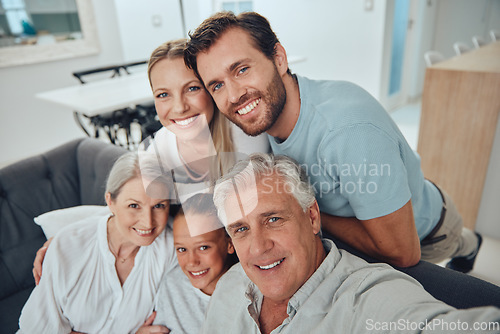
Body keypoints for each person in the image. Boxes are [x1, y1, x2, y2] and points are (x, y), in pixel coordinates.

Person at [183, 11, 481, 271]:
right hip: (383, 208)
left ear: (279, 59)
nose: (234, 95)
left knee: (458, 246)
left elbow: (402, 253)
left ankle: (471, 243)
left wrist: (303, 211)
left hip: (430, 232)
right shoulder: (264, 115)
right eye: (218, 85)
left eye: (242, 69)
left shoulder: (348, 130)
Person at [203, 152, 500, 334]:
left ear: (312, 217)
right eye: (240, 229)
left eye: (273, 219)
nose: (257, 248)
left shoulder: (365, 298)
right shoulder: (231, 285)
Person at [18, 152, 177, 333]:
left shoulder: (170, 250)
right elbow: (39, 329)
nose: (148, 222)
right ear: (110, 201)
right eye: (134, 206)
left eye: (159, 206)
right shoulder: (67, 246)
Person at [141, 38, 270, 203]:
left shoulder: (244, 133)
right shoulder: (158, 150)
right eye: (163, 95)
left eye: (192, 88)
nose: (180, 107)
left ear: (212, 89)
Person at [139, 193, 237, 333]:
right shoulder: (172, 284)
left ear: (230, 243)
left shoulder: (248, 291)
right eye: (182, 249)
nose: (192, 262)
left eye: (203, 247)